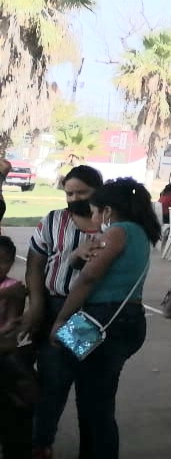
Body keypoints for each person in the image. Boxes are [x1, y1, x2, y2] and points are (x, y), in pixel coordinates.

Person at [41, 177, 160, 459]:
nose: (92, 217)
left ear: (107, 210)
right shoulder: (138, 233)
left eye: (94, 211)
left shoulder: (117, 232)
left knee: (94, 402)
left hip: (102, 320)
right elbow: (83, 264)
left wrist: (61, 320)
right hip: (125, 319)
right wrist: (76, 255)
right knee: (94, 395)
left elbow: (88, 278)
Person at [25, 166, 105, 459]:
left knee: (90, 386)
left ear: (99, 191)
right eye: (69, 193)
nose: (73, 199)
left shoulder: (112, 227)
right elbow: (35, 265)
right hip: (56, 306)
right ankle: (41, 444)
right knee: (53, 381)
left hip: (91, 314)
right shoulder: (54, 220)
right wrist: (36, 304)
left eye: (81, 193)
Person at [0, 236, 35, 459]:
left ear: (12, 262)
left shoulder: (14, 288)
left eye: (3, 261)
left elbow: (11, 332)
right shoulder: (10, 290)